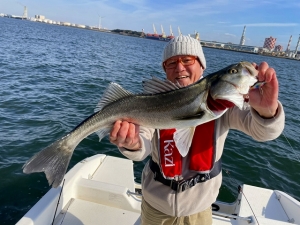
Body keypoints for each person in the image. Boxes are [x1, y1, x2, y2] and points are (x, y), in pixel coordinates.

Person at [109, 35, 285, 225]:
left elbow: (264, 133)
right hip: (155, 207)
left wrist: (267, 112)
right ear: (165, 69)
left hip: (199, 210)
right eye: (171, 63)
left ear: (202, 66)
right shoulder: (153, 101)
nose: (179, 68)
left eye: (187, 60)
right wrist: (132, 144)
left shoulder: (227, 102)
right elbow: (143, 143)